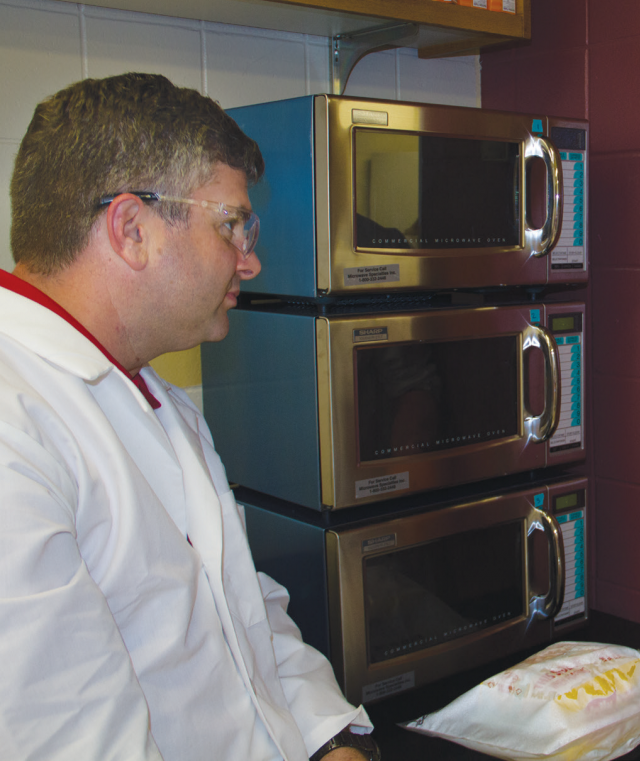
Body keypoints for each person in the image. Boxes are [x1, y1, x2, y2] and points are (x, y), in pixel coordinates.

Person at [0, 73, 378, 761]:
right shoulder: (15, 429)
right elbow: (74, 741)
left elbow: (243, 614)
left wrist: (331, 744)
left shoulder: (155, 398)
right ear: (132, 229)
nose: (252, 259)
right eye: (232, 224)